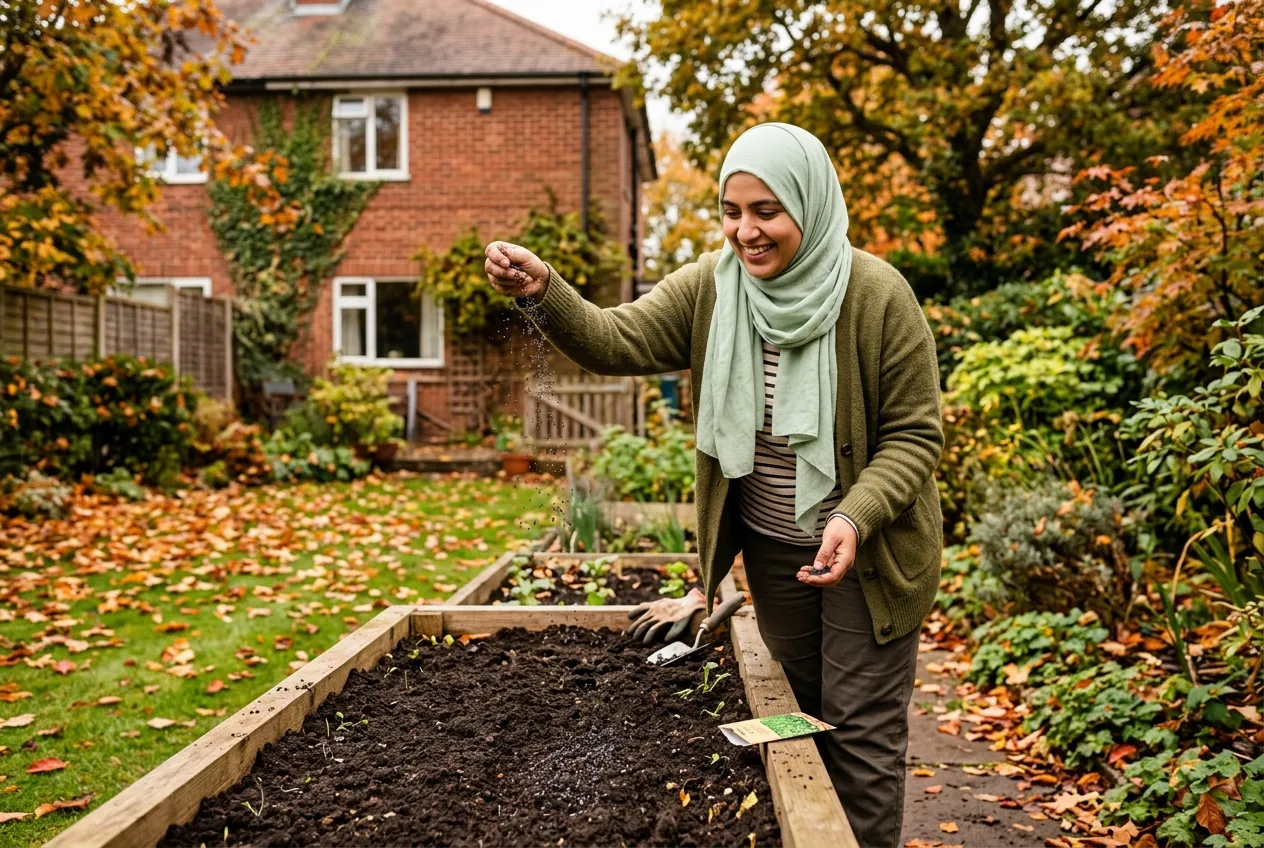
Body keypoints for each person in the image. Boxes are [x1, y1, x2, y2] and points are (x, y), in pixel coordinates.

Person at [484, 122, 943, 848]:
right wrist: (547, 289)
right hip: (773, 550)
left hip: (871, 555)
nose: (746, 232)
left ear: (811, 204)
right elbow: (616, 337)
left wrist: (854, 515)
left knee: (859, 739)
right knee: (796, 720)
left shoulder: (878, 297)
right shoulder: (712, 288)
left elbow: (916, 437)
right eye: (733, 211)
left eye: (767, 212)